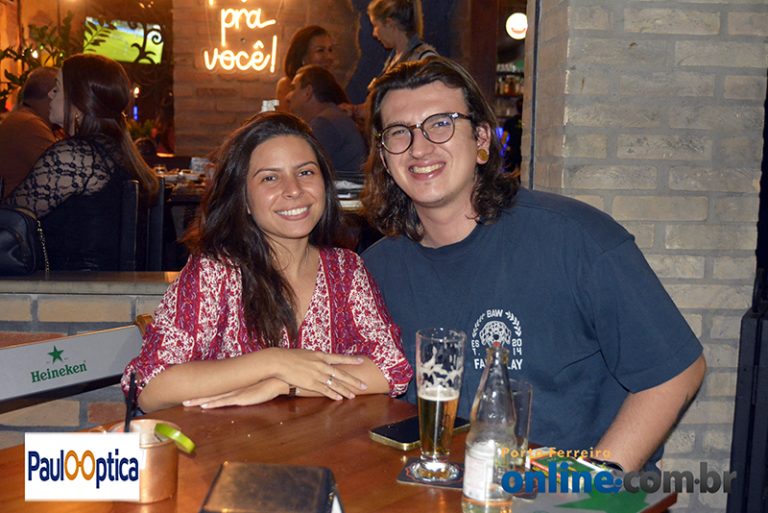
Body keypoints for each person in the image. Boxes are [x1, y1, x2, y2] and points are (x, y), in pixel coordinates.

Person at [360, 57, 706, 472]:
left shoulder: (575, 238)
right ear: (385, 158)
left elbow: (676, 372)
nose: (419, 148)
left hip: (566, 489)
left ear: (481, 139)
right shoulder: (375, 271)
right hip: (436, 490)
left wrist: (593, 484)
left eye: (441, 124)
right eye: (399, 132)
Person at [122, 112, 412, 412]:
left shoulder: (346, 269)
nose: (294, 190)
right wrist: (274, 362)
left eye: (305, 172)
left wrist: (284, 385)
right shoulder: (216, 272)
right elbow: (150, 387)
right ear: (244, 199)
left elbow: (389, 369)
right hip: (234, 441)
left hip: (324, 441)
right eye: (270, 178)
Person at [2, 54, 158, 271]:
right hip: (104, 286)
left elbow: (10, 220)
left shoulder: (76, 156)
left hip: (71, 286)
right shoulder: (114, 150)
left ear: (79, 101)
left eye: (57, 88)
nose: (50, 94)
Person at [286, 65, 366, 184]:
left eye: (293, 88)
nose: (287, 97)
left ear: (308, 92)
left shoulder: (324, 123)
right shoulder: (332, 117)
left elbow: (297, 168)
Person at [0, 67, 60, 199]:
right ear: (52, 95)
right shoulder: (29, 124)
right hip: (18, 208)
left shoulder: (23, 118)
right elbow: (61, 175)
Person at [275, 26, 336, 113]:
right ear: (303, 56)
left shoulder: (331, 87)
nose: (329, 57)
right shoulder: (287, 85)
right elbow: (285, 120)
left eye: (330, 50)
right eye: (320, 50)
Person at [367, 0, 437, 75]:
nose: (374, 34)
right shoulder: (394, 59)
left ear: (389, 24)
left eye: (375, 25)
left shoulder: (425, 60)